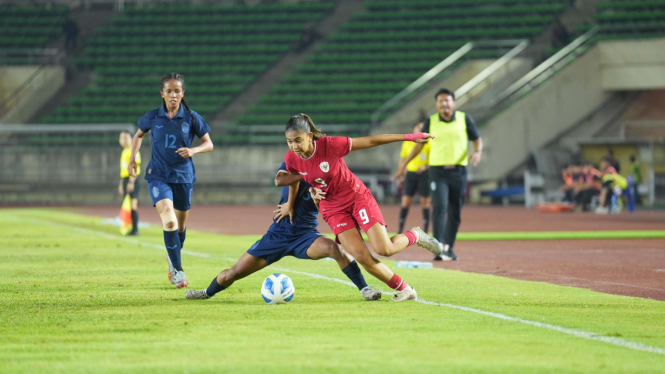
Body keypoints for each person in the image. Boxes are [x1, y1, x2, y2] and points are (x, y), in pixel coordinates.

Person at [279, 114, 443, 302]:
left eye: (298, 140)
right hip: (332, 209)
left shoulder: (330, 145)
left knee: (384, 249)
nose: (294, 147)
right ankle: (406, 290)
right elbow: (293, 179)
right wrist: (290, 203)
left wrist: (408, 137)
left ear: (309, 136)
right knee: (361, 256)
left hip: (356, 197)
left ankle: (416, 235)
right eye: (289, 142)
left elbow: (372, 140)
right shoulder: (292, 158)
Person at [185, 163, 382, 301]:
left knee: (336, 250)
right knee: (233, 273)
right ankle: (206, 292)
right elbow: (281, 180)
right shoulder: (292, 162)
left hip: (305, 235)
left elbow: (329, 204)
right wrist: (290, 202)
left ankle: (364, 288)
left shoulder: (327, 174)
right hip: (278, 234)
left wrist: (317, 198)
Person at [127, 73, 214, 289]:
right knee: (170, 221)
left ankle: (172, 256)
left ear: (182, 93)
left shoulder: (192, 118)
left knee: (181, 226)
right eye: (169, 91)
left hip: (183, 176)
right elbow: (138, 135)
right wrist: (132, 160)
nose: (173, 95)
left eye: (177, 91)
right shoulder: (153, 117)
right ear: (162, 94)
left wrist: (193, 150)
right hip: (158, 175)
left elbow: (209, 144)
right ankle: (178, 271)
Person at [395, 88, 483, 261]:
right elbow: (419, 144)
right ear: (436, 105)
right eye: (440, 101)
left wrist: (478, 151)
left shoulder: (464, 119)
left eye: (447, 100)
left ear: (453, 103)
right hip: (437, 172)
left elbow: (477, 137)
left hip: (459, 171)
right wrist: (404, 165)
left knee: (455, 210)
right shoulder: (431, 121)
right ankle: (439, 248)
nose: (444, 104)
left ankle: (449, 247)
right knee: (440, 206)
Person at [395, 122, 431, 234]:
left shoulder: (428, 143)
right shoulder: (407, 143)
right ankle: (400, 229)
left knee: (425, 202)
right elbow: (402, 159)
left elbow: (434, 160)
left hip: (424, 175)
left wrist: (425, 166)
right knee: (405, 202)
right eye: (418, 128)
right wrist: (401, 174)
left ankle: (425, 231)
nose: (420, 130)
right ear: (413, 130)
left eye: (422, 129)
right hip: (410, 174)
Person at [119, 130, 141, 235]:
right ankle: (130, 227)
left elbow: (134, 168)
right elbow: (124, 170)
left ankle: (135, 229)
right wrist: (121, 183)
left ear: (131, 139)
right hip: (125, 180)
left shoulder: (133, 150)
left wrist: (131, 182)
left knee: (133, 205)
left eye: (126, 137)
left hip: (132, 180)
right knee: (127, 204)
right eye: (122, 138)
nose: (123, 140)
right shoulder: (125, 151)